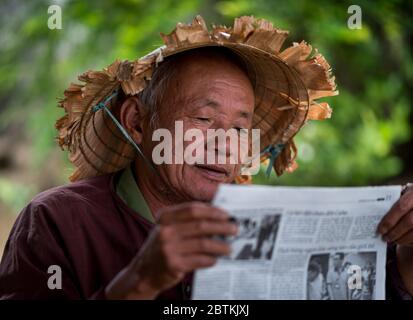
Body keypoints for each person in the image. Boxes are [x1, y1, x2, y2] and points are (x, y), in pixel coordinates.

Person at [0, 15, 412, 300]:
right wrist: (140, 281)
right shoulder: (57, 222)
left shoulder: (264, 223)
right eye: (202, 118)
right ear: (138, 123)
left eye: (238, 129)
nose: (224, 145)